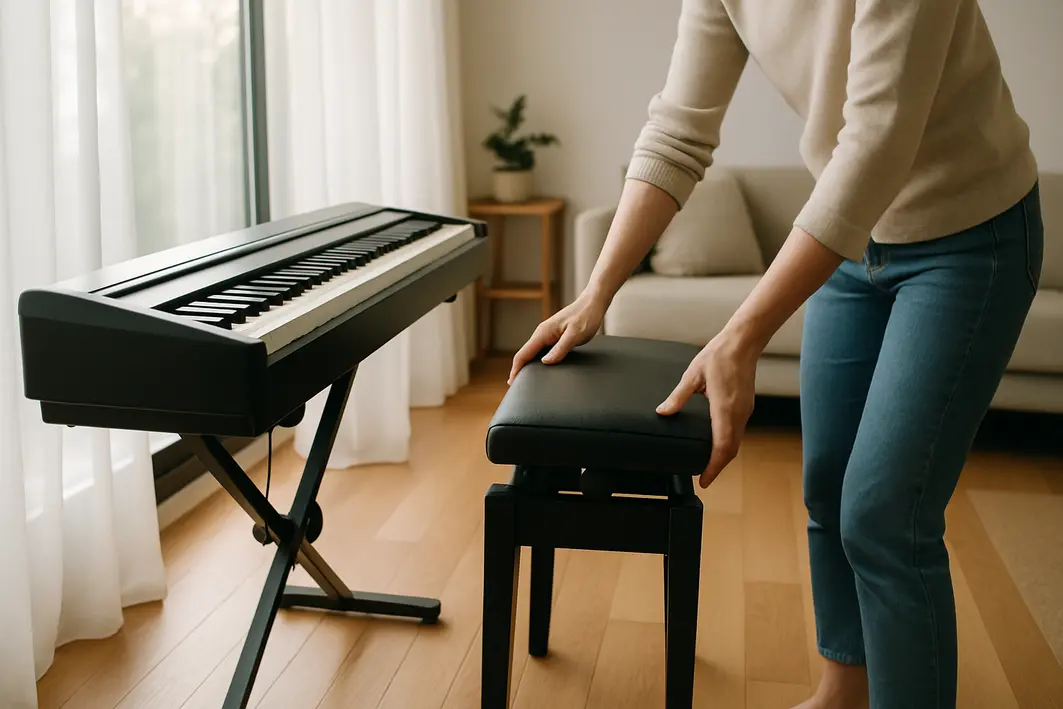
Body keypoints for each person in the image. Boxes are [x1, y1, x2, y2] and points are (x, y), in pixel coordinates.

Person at [507, 1, 1043, 707]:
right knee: (825, 484)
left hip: (967, 240)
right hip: (852, 244)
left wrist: (739, 335)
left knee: (884, 514)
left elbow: (876, 144)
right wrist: (596, 291)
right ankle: (842, 689)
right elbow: (676, 129)